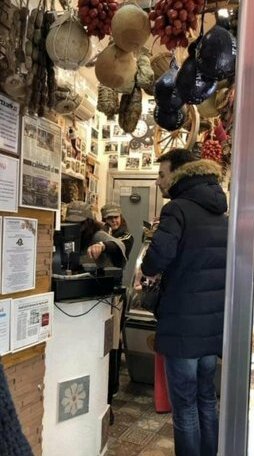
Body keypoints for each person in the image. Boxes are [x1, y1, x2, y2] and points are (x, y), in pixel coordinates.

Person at [141, 148, 228, 456]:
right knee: (207, 399)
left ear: (179, 173)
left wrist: (147, 265)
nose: (158, 182)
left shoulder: (177, 209)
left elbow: (156, 260)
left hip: (181, 327)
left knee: (185, 407)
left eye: (162, 175)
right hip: (211, 328)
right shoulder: (220, 211)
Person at [101, 202, 134, 423]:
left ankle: (111, 389)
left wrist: (101, 243)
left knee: (113, 341)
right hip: (103, 291)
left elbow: (116, 248)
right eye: (110, 219)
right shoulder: (105, 233)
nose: (114, 221)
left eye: (116, 217)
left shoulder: (126, 236)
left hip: (115, 292)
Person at [65, 201, 127, 269]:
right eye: (71, 223)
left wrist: (102, 245)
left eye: (80, 223)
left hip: (97, 277)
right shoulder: (66, 235)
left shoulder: (97, 235)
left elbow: (119, 244)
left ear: (88, 222)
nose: (76, 227)